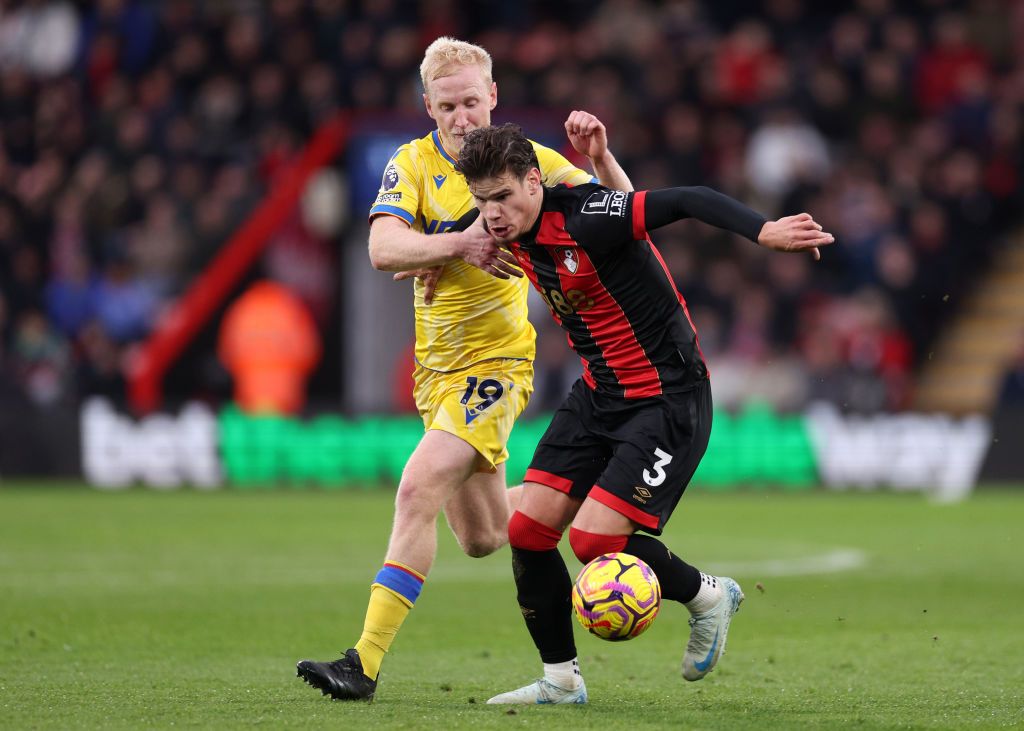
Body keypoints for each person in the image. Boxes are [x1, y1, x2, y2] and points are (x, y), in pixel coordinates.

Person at [296, 38, 632, 701]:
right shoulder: (412, 164)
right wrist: (457, 244)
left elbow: (618, 212)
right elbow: (380, 246)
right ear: (429, 106)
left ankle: (362, 663)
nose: (461, 116)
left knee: (416, 486)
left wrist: (600, 159)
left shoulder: (528, 161)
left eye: (472, 102)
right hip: (436, 374)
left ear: (493, 97)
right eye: (447, 105)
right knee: (482, 536)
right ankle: (595, 508)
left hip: (496, 365)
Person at [451, 123, 834, 704]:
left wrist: (764, 231)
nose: (492, 215)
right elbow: (463, 231)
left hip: (668, 398)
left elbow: (687, 200)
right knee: (526, 530)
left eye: (502, 197)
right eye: (482, 201)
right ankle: (560, 681)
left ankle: (707, 595)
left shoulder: (586, 216)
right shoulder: (499, 224)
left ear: (535, 182)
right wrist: (437, 257)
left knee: (591, 543)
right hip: (599, 393)